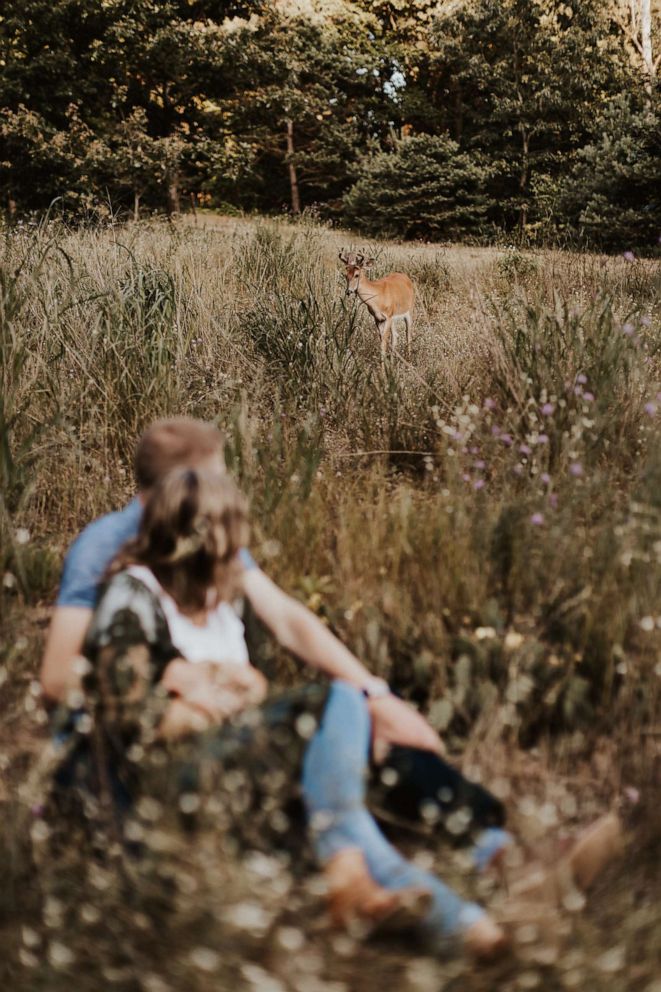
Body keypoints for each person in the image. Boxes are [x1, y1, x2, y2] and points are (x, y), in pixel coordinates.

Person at [65, 465, 511, 958]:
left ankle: (468, 903)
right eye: (223, 545)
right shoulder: (131, 595)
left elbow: (252, 688)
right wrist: (211, 702)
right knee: (338, 701)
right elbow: (127, 720)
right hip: (172, 782)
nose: (234, 558)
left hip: (240, 761)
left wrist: (218, 686)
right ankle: (385, 877)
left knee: (369, 757)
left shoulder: (224, 601)